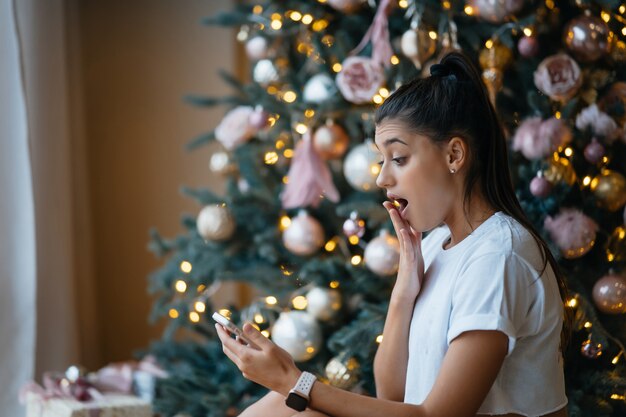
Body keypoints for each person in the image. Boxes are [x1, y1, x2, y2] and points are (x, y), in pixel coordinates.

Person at [215, 51, 570, 417]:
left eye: (398, 158)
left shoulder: (498, 256)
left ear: (454, 155)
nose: (382, 178)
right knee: (275, 409)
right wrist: (404, 290)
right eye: (382, 160)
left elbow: (436, 415)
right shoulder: (435, 246)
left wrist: (296, 383)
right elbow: (392, 392)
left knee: (282, 406)